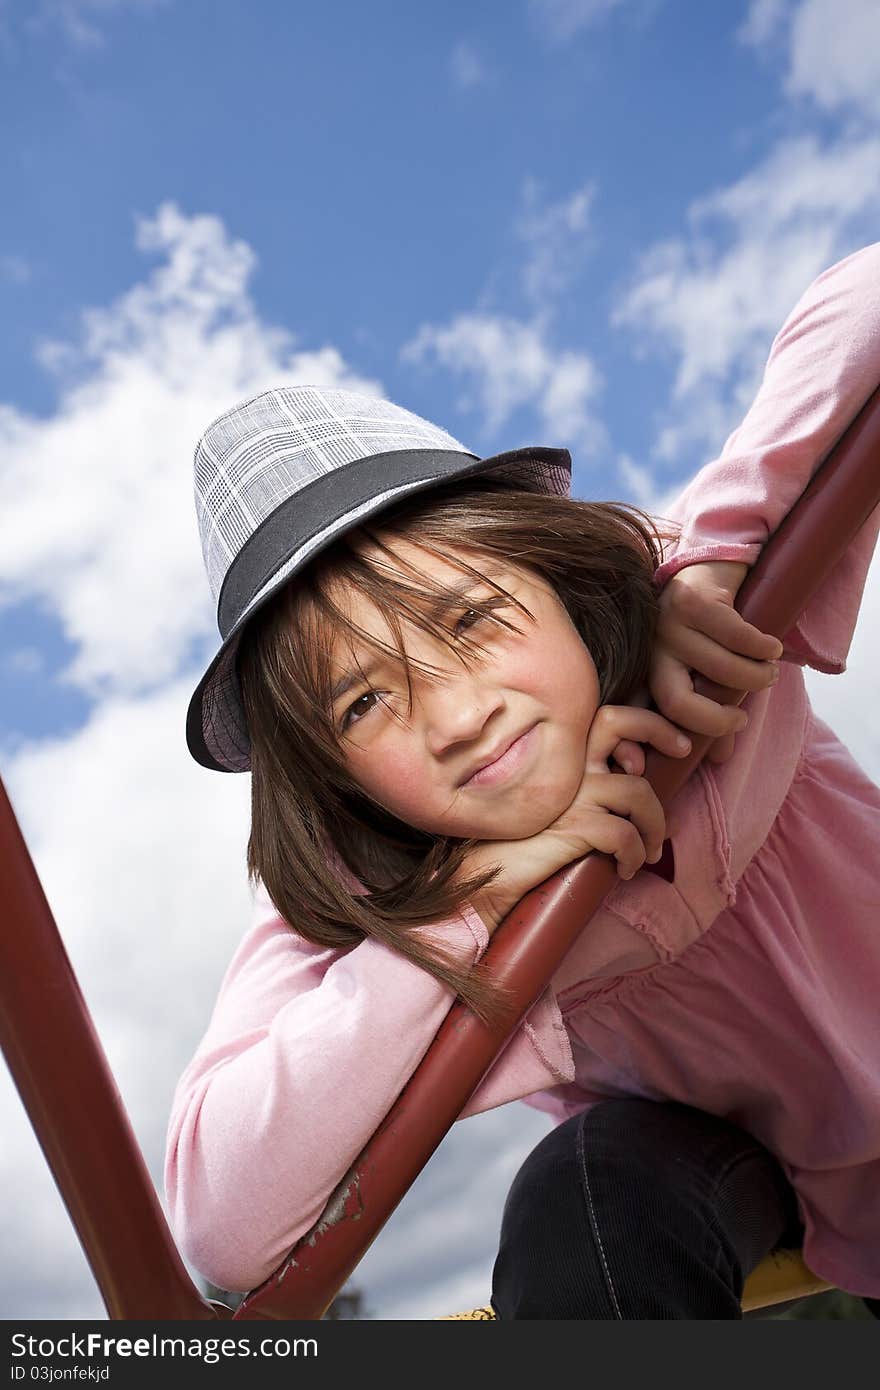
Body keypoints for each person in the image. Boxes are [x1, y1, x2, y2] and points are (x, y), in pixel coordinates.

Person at [165, 242, 880, 1319]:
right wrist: (470, 910)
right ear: (332, 776)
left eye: (470, 621)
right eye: (364, 704)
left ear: (560, 579)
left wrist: (719, 549)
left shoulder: (697, 637)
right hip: (780, 1200)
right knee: (585, 1188)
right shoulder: (366, 894)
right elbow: (222, 1226)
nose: (457, 717)